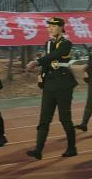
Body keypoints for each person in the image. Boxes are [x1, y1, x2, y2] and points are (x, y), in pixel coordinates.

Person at [25, 17, 78, 159]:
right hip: (49, 83)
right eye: (49, 26)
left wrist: (37, 62)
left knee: (64, 118)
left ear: (61, 28)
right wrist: (41, 75)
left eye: (54, 26)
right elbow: (48, 61)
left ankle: (72, 148)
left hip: (63, 83)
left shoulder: (66, 43)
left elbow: (55, 55)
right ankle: (38, 150)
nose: (51, 28)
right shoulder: (48, 43)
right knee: (44, 119)